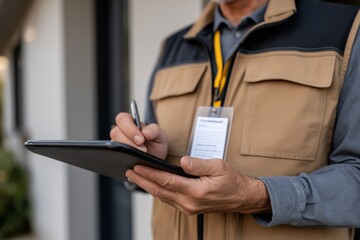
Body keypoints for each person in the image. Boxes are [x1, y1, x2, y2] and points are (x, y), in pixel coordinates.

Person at [110, 0, 360, 239]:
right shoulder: (173, 46)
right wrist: (145, 155)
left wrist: (259, 196)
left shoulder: (347, 29)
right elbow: (149, 160)